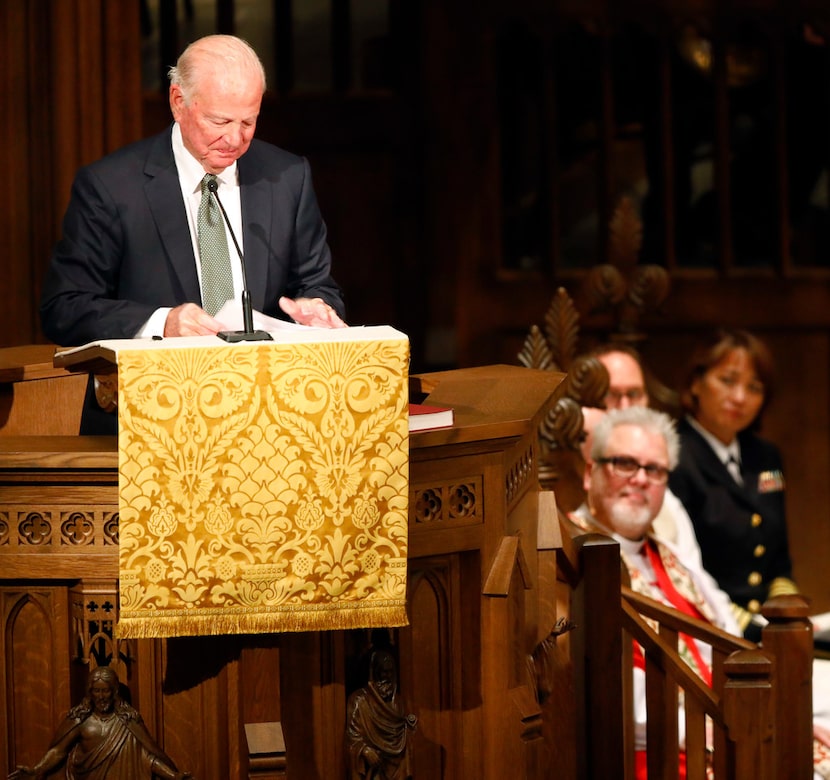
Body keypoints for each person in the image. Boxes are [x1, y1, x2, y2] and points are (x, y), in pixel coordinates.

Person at [40, 34, 346, 435]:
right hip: (154, 418)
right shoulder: (112, 187)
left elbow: (318, 284)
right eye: (219, 121)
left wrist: (316, 307)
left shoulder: (287, 177)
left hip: (271, 414)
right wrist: (162, 322)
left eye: (248, 121)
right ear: (178, 102)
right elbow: (64, 307)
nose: (235, 139)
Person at [570, 407, 830, 778]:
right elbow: (603, 691)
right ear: (589, 472)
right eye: (624, 463)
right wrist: (721, 726)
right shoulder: (572, 556)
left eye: (655, 470)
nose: (641, 479)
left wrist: (782, 719)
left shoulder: (668, 552)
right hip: (650, 749)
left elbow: (728, 635)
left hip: (721, 724)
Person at [668, 328, 797, 640]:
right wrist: (746, 626)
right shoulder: (672, 455)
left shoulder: (766, 458)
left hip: (765, 625)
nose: (740, 397)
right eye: (727, 381)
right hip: (708, 629)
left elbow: (778, 554)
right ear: (696, 383)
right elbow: (679, 569)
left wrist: (786, 612)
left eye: (754, 387)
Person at [584, 343, 702, 566]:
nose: (625, 407)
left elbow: (695, 576)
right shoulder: (564, 481)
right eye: (611, 394)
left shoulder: (661, 490)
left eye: (634, 394)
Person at [8, 666, 192, 779]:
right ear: (90, 692)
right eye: (97, 691)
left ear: (114, 692)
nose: (102, 696)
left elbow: (148, 758)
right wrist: (37, 770)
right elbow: (58, 751)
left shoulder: (128, 721)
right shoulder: (81, 720)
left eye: (106, 691)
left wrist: (173, 776)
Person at [345, 649, 417, 779]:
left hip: (398, 766)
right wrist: (365, 751)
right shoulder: (359, 700)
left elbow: (403, 731)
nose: (387, 676)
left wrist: (409, 725)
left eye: (390, 672)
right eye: (384, 671)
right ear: (376, 673)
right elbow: (352, 738)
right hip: (374, 767)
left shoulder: (399, 702)